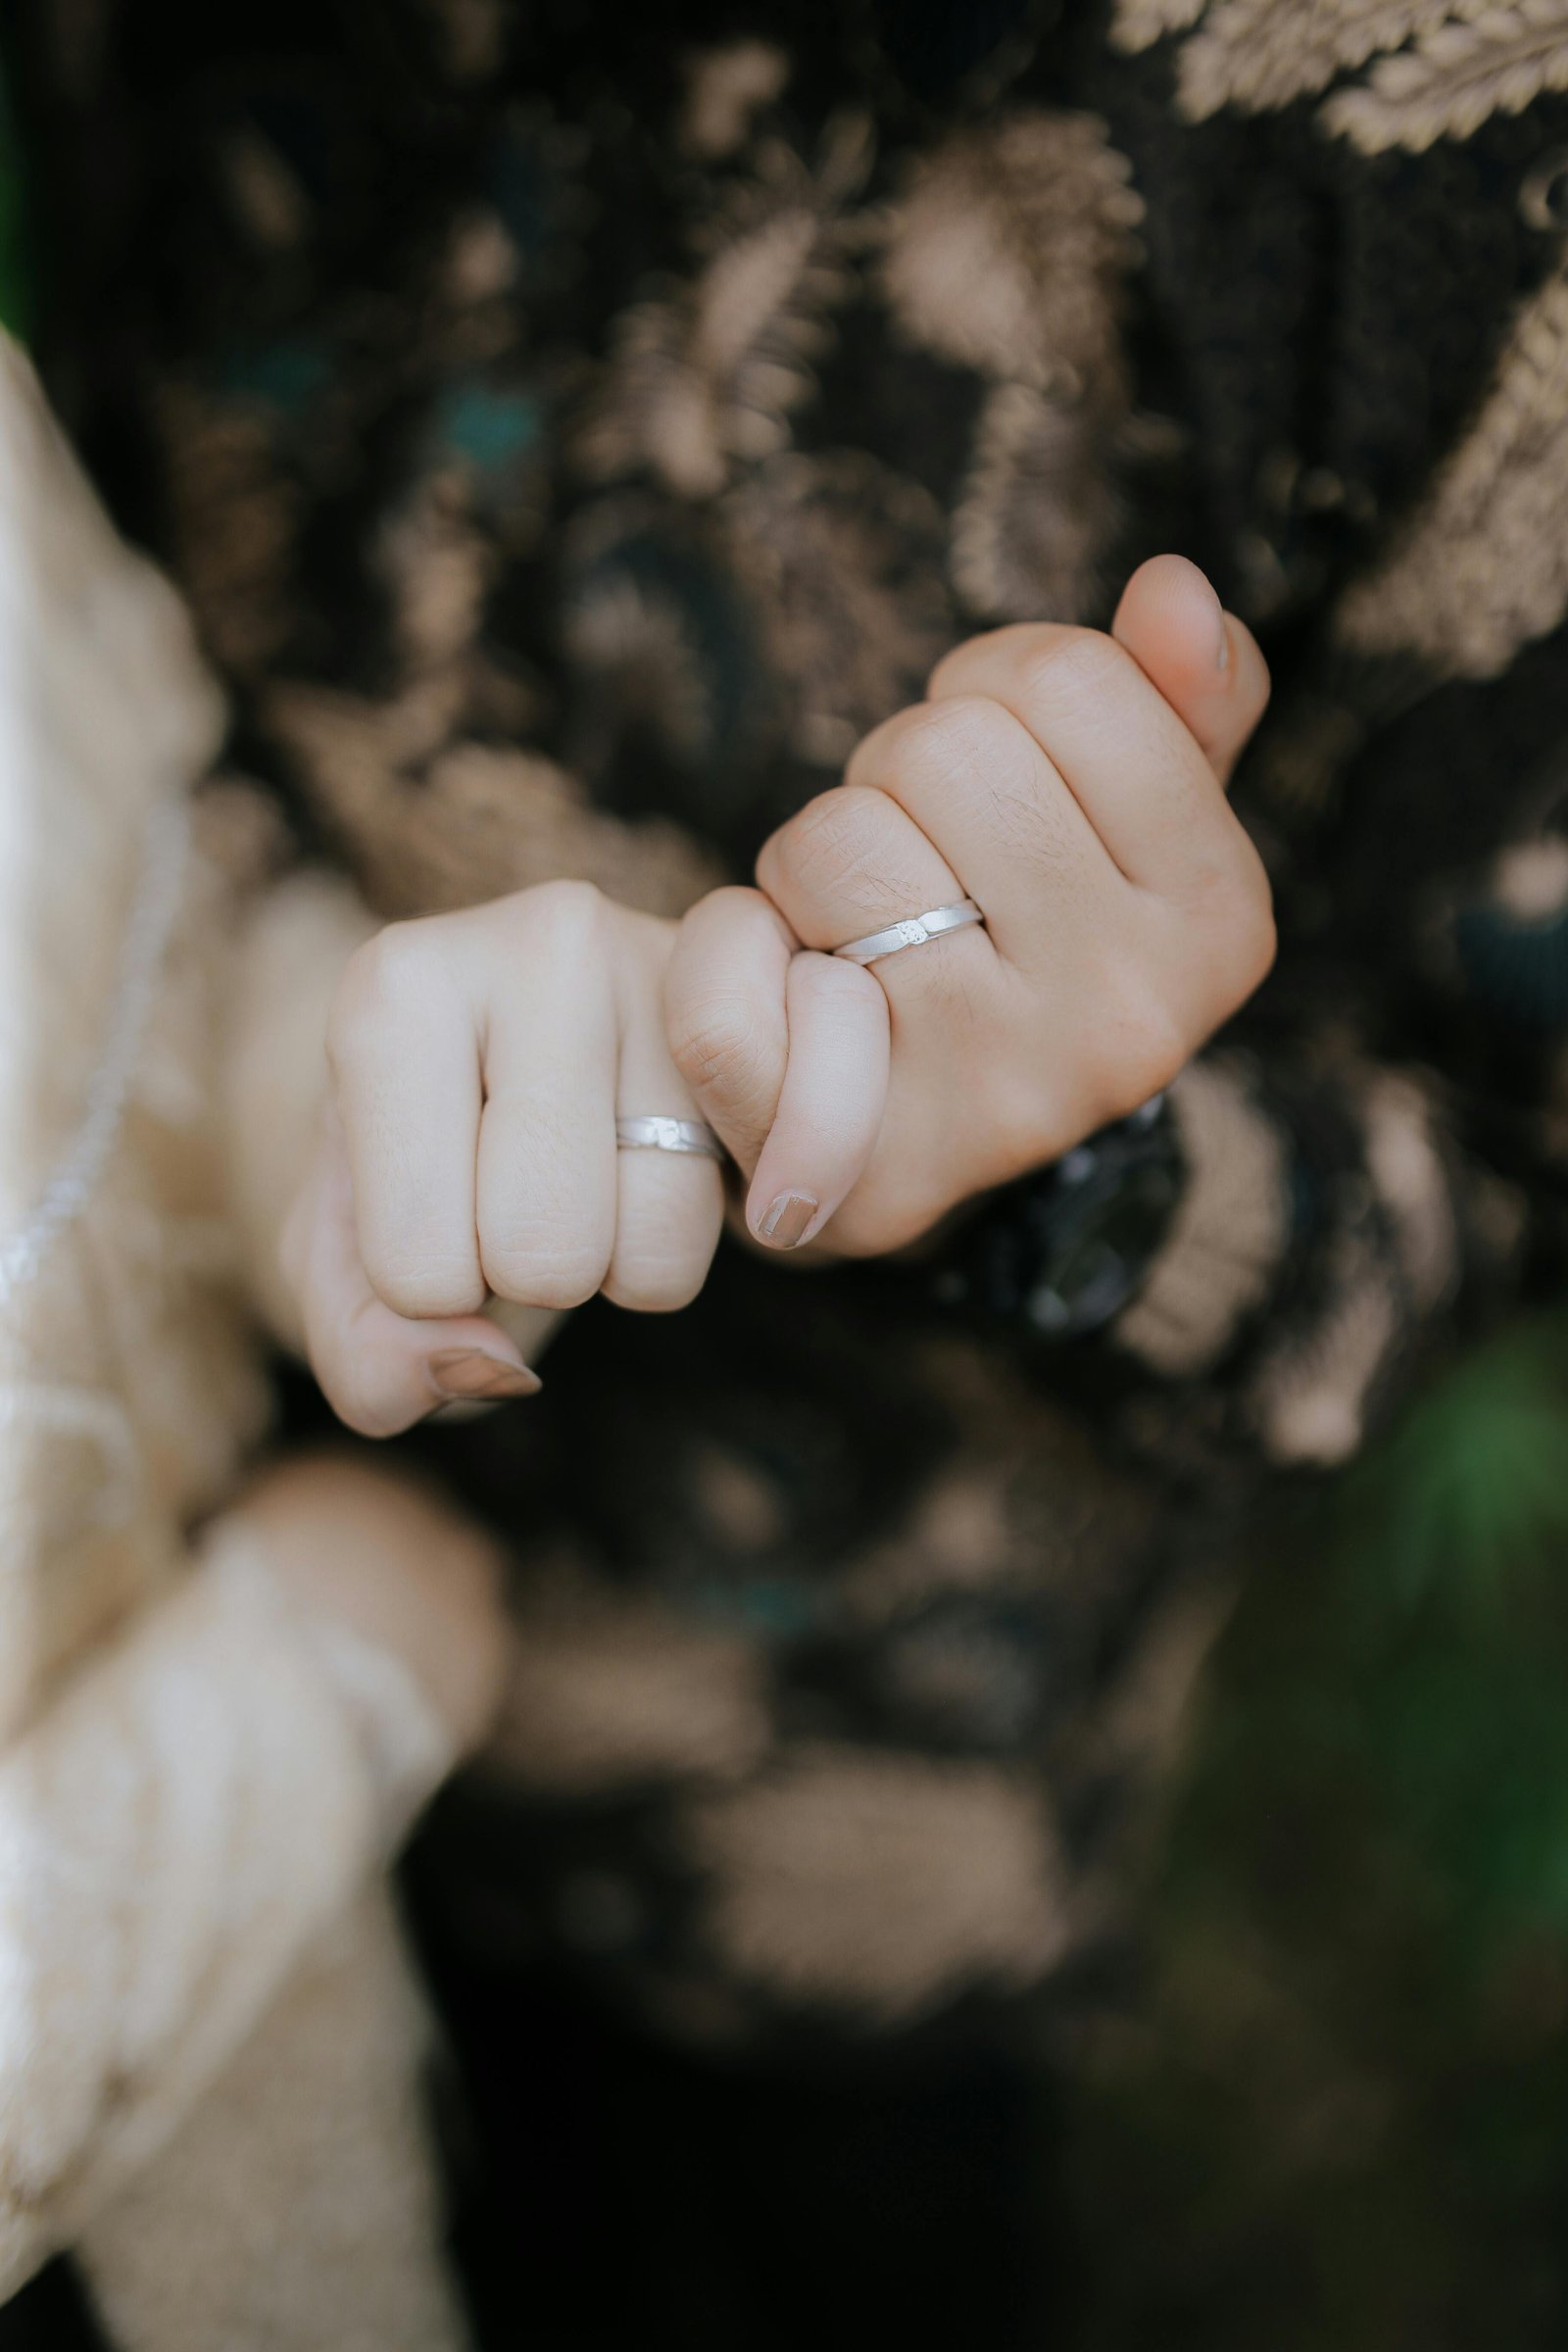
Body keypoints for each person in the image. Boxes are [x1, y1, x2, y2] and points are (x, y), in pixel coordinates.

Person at [12, 0, 1568, 2341]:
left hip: (807, 1774)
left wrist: (1078, 1179)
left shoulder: (1438, 139)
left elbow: (1491, 1160)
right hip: (182, 1571)